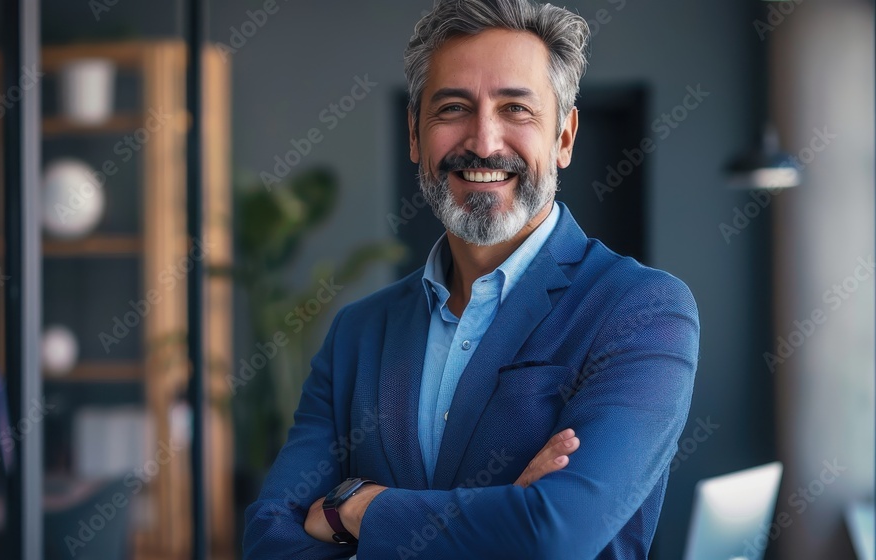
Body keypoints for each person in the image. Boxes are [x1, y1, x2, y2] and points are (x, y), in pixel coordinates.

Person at [243, 0, 700, 558]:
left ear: (564, 136)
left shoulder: (642, 309)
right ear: (415, 135)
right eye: (453, 108)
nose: (484, 142)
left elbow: (557, 531)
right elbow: (271, 537)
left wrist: (357, 510)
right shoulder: (357, 334)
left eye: (516, 109)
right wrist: (504, 515)